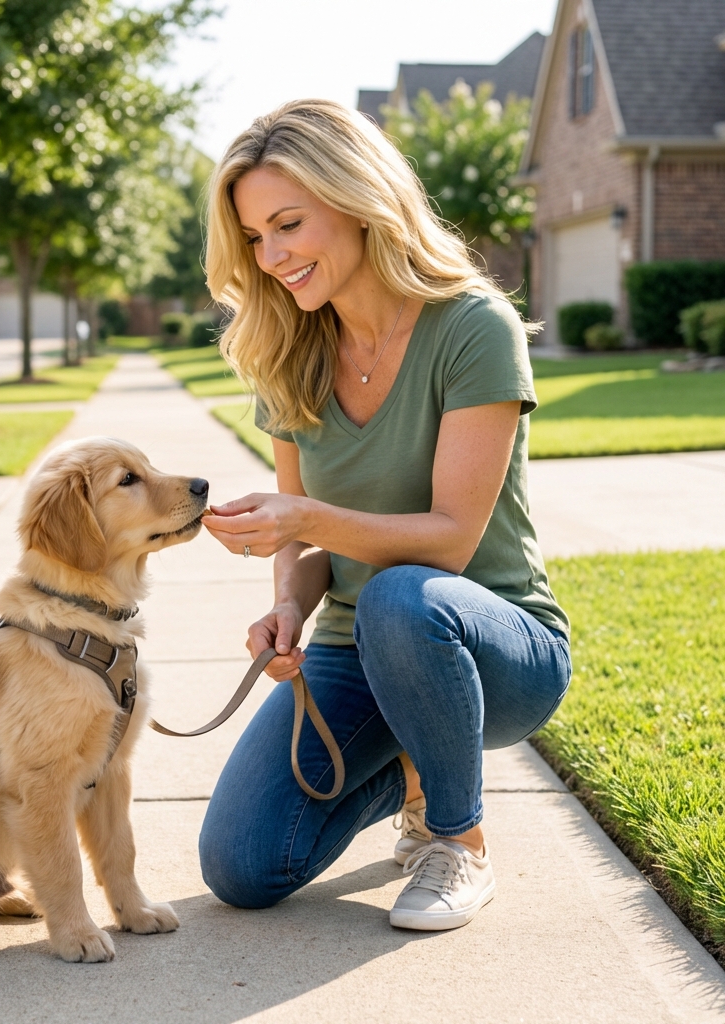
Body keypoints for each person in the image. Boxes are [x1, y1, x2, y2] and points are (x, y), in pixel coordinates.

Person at [198, 99, 571, 931]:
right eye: (256, 239)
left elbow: (450, 540)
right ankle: (416, 765)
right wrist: (288, 607)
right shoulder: (286, 353)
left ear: (358, 197)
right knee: (241, 866)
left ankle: (456, 839)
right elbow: (307, 545)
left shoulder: (473, 327)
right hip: (356, 647)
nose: (274, 256)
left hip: (495, 645)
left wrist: (305, 516)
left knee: (404, 595)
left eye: (289, 223)